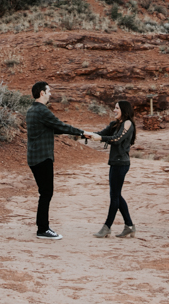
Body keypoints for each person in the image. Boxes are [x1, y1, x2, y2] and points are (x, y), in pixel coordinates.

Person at [25, 80, 100, 239]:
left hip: (33, 157)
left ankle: (42, 227)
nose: (50, 94)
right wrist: (82, 132)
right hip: (43, 157)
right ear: (42, 93)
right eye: (49, 91)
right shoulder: (42, 111)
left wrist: (77, 133)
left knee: (44, 193)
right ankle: (43, 229)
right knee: (46, 193)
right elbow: (60, 125)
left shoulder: (31, 110)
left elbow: (51, 128)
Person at [92, 100, 137, 238]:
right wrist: (84, 133)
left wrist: (100, 139)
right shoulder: (115, 124)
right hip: (114, 163)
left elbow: (116, 139)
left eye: (117, 108)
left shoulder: (127, 123)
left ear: (124, 109)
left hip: (122, 164)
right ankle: (129, 226)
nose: (114, 110)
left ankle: (107, 227)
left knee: (115, 196)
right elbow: (101, 133)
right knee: (116, 195)